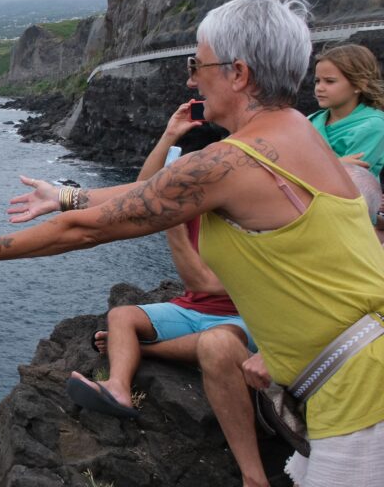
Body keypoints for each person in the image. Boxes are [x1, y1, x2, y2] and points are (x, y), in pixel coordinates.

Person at [0, 0, 384, 487]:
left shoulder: (235, 161)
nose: (191, 78)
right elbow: (157, 192)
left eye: (197, 63)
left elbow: (97, 227)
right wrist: (67, 195)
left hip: (360, 392)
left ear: (239, 73)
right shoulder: (303, 135)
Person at [28, 104, 270, 485]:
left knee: (215, 343)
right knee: (123, 315)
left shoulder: (239, 207)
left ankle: (145, 350)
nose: (181, 181)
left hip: (244, 319)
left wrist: (172, 231)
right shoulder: (186, 201)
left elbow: (203, 282)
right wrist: (170, 134)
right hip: (194, 310)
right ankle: (118, 388)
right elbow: (141, 191)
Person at [309, 43, 384, 179]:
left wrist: (333, 168)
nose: (319, 88)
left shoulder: (373, 126)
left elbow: (352, 179)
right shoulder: (309, 121)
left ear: (359, 84)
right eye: (317, 81)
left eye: (329, 81)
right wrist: (338, 165)